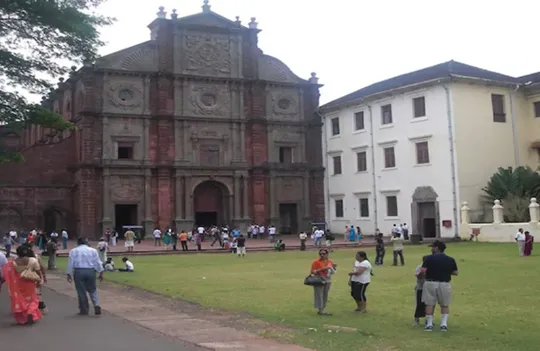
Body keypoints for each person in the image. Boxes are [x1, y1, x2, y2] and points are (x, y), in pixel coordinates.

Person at [421, 241, 458, 332]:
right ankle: (443, 324)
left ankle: (429, 324)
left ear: (437, 248)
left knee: (429, 303)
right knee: (444, 304)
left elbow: (423, 271)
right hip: (444, 283)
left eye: (432, 247)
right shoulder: (450, 259)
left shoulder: (429, 259)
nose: (431, 249)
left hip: (430, 283)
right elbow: (455, 272)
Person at [1, 245, 44, 324]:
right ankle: (31, 311)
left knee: (21, 299)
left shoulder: (13, 262)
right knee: (32, 298)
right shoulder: (32, 260)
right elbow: (38, 271)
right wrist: (40, 279)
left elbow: (8, 272)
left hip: (18, 283)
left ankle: (24, 315)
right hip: (29, 282)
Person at [66, 237, 104, 316]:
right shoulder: (93, 250)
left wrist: (69, 273)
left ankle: (84, 309)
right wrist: (100, 272)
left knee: (81, 291)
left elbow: (70, 263)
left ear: (78, 242)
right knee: (92, 289)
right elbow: (97, 262)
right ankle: (96, 304)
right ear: (86, 242)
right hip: (90, 271)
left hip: (79, 271)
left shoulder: (74, 251)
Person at [310, 248, 337, 315]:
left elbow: (333, 271)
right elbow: (313, 272)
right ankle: (320, 310)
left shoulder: (329, 262)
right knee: (319, 295)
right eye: (320, 254)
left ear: (327, 254)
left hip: (327, 280)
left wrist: (333, 268)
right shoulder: (316, 262)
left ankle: (323, 309)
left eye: (324, 254)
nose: (322, 255)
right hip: (319, 280)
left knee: (325, 295)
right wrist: (323, 269)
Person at [413, 255, 430, 326]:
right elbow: (418, 276)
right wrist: (422, 272)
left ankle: (428, 320)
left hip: (429, 288)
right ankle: (416, 319)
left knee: (428, 304)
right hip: (420, 288)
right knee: (419, 304)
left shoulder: (432, 268)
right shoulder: (419, 267)